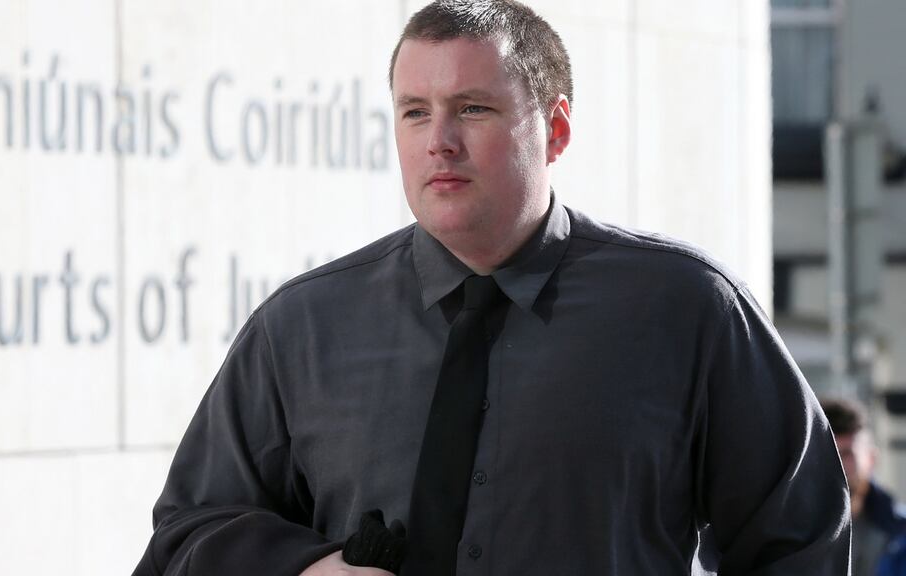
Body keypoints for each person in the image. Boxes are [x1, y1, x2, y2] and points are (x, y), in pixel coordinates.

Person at [132, 1, 851, 574]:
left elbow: (800, 536)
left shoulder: (687, 309)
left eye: (472, 108)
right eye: (415, 111)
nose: (438, 140)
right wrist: (303, 568)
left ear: (557, 130)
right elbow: (187, 536)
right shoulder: (303, 327)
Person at [821, 396, 906, 575]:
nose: (839, 467)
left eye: (846, 454)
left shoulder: (900, 535)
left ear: (871, 458)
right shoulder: (787, 533)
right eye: (828, 456)